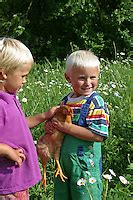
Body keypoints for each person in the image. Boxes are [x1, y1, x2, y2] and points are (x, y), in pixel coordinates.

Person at [0, 37, 58, 199]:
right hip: (6, 184)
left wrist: (45, 115)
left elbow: (19, 125)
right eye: (23, 76)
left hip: (16, 179)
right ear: (3, 74)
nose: (25, 81)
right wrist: (6, 151)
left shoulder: (10, 98)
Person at [51, 50, 109, 200]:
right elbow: (58, 126)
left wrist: (67, 128)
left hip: (84, 164)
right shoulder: (65, 101)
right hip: (64, 162)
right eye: (82, 78)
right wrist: (52, 127)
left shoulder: (95, 102)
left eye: (93, 77)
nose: (88, 83)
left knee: (85, 195)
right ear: (68, 78)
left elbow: (98, 135)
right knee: (62, 195)